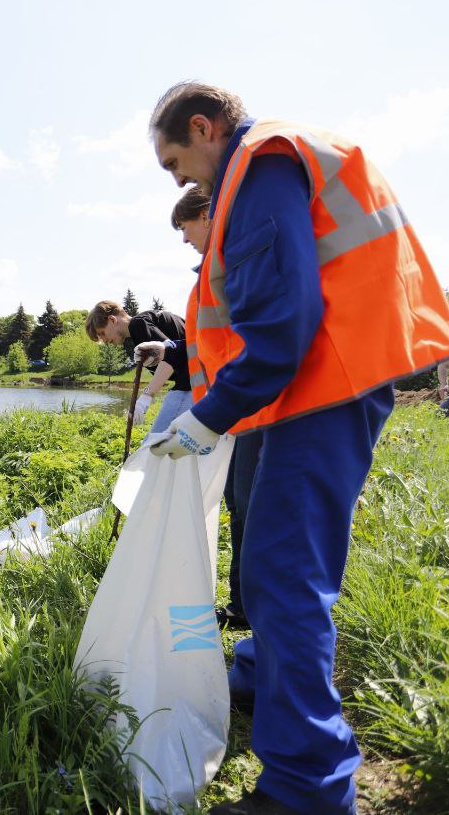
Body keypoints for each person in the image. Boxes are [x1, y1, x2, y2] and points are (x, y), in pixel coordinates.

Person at [146, 81, 449, 814]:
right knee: (262, 563)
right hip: (288, 397)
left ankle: (307, 786)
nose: (180, 178)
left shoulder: (259, 162)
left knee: (286, 576)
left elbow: (282, 323)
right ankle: (259, 670)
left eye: (175, 161)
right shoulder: (252, 173)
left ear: (205, 125)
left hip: (319, 390)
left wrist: (206, 415)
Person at [167, 185, 257, 630]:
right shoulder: (215, 269)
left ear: (207, 215)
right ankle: (242, 607)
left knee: (248, 510)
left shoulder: (236, 264)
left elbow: (247, 344)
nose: (184, 238)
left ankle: (250, 612)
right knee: (238, 509)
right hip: (230, 415)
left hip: (246, 413)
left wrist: (217, 415)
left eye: (185, 227)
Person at [85, 301, 192, 440]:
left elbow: (171, 358)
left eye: (102, 333)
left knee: (154, 444)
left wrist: (146, 397)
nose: (104, 340)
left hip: (191, 383)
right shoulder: (143, 325)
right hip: (201, 379)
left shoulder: (138, 325)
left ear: (112, 320)